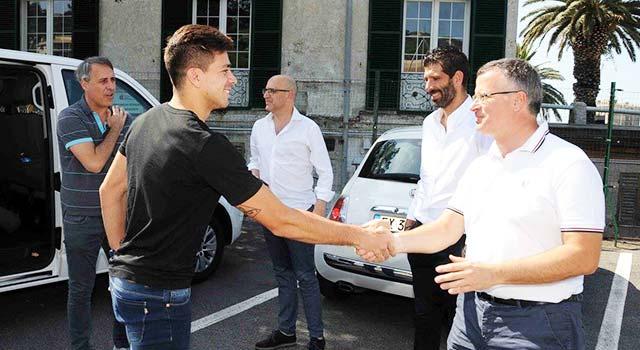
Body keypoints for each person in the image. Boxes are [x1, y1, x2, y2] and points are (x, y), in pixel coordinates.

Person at [99, 24, 392, 350]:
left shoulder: (144, 122)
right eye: (225, 70)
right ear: (195, 76)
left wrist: (119, 258)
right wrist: (360, 235)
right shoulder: (205, 144)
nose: (233, 79)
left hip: (125, 287)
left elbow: (109, 192)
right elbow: (282, 219)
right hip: (157, 298)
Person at [359, 58, 604, 349]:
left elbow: (583, 256)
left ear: (518, 100)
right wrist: (392, 241)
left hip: (537, 324)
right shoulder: (481, 166)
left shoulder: (569, 163)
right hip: (470, 317)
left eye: (484, 96)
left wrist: (494, 274)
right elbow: (447, 229)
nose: (473, 105)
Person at [404, 46, 491, 350]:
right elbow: (426, 177)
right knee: (423, 315)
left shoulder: (481, 122)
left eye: (434, 79)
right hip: (424, 233)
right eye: (426, 80)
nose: (428, 87)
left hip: (460, 239)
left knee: (462, 319)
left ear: (457, 77)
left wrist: (474, 241)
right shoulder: (429, 124)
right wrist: (413, 217)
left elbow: (491, 184)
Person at [248, 75, 333, 350]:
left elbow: (325, 171)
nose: (266, 95)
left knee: (306, 276)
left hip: (300, 214)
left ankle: (317, 338)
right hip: (270, 214)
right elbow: (255, 161)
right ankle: (286, 332)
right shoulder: (259, 127)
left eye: (273, 90)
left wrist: (319, 209)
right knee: (282, 274)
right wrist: (255, 190)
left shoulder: (308, 128)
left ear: (290, 95)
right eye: (266, 89)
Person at [56, 57, 130, 350]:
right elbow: (95, 163)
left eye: (112, 80)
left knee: (124, 284)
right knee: (81, 289)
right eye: (103, 81)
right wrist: (113, 129)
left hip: (116, 214)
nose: (111, 86)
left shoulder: (120, 118)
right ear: (84, 84)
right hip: (82, 219)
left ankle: (122, 344)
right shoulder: (70, 118)